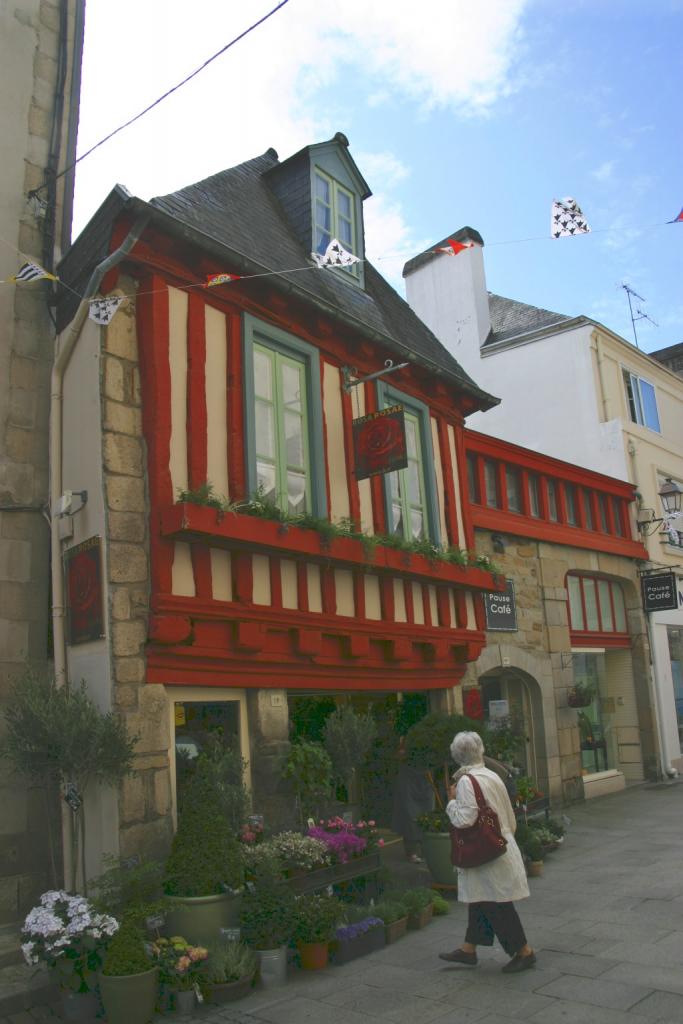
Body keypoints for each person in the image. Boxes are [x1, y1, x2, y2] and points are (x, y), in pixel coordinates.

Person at [438, 731, 536, 973]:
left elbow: (465, 819)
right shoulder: (492, 774)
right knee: (481, 898)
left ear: (457, 756)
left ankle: (524, 951)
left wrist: (451, 802)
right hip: (500, 844)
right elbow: (508, 814)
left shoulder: (465, 781)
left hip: (486, 851)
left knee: (496, 903)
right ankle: (468, 949)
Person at [391, 740, 434, 863]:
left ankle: (426, 850)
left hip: (426, 777)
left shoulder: (430, 737)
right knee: (410, 815)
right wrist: (407, 753)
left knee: (428, 814)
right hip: (408, 777)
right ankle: (412, 852)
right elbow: (398, 754)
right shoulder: (405, 737)